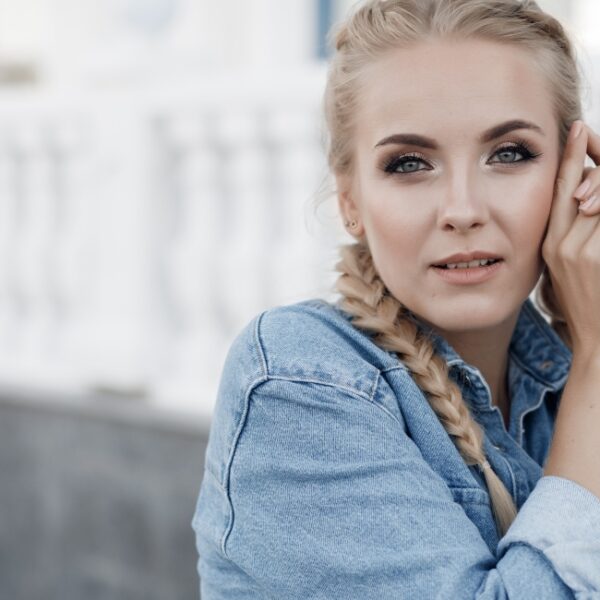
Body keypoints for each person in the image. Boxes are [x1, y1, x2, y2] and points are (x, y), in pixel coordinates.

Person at [192, 0, 600, 597]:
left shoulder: (566, 382)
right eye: (410, 164)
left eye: (509, 153)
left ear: (576, 174)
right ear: (350, 199)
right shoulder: (297, 380)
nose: (463, 210)